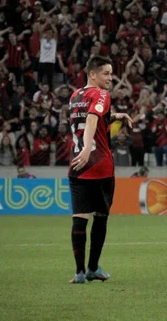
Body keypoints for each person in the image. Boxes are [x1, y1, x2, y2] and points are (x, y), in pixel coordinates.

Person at [67, 56, 132, 284]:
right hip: (100, 167)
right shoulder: (102, 94)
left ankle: (79, 273)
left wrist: (116, 116)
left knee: (79, 218)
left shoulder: (75, 96)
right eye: (105, 73)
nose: (110, 78)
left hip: (76, 165)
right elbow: (93, 118)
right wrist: (87, 148)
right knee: (101, 218)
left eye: (111, 74)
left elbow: (92, 119)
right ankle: (93, 267)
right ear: (92, 74)